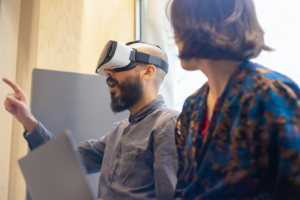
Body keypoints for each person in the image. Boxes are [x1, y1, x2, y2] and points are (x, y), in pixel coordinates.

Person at [3, 41, 179, 200]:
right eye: (109, 69)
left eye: (120, 65)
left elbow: (171, 195)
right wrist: (27, 119)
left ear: (148, 72)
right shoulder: (118, 132)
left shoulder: (167, 124)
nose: (109, 74)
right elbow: (65, 162)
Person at [168, 0, 300, 199]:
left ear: (201, 25)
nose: (175, 36)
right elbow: (184, 187)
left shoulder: (271, 94)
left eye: (178, 26)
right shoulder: (192, 107)